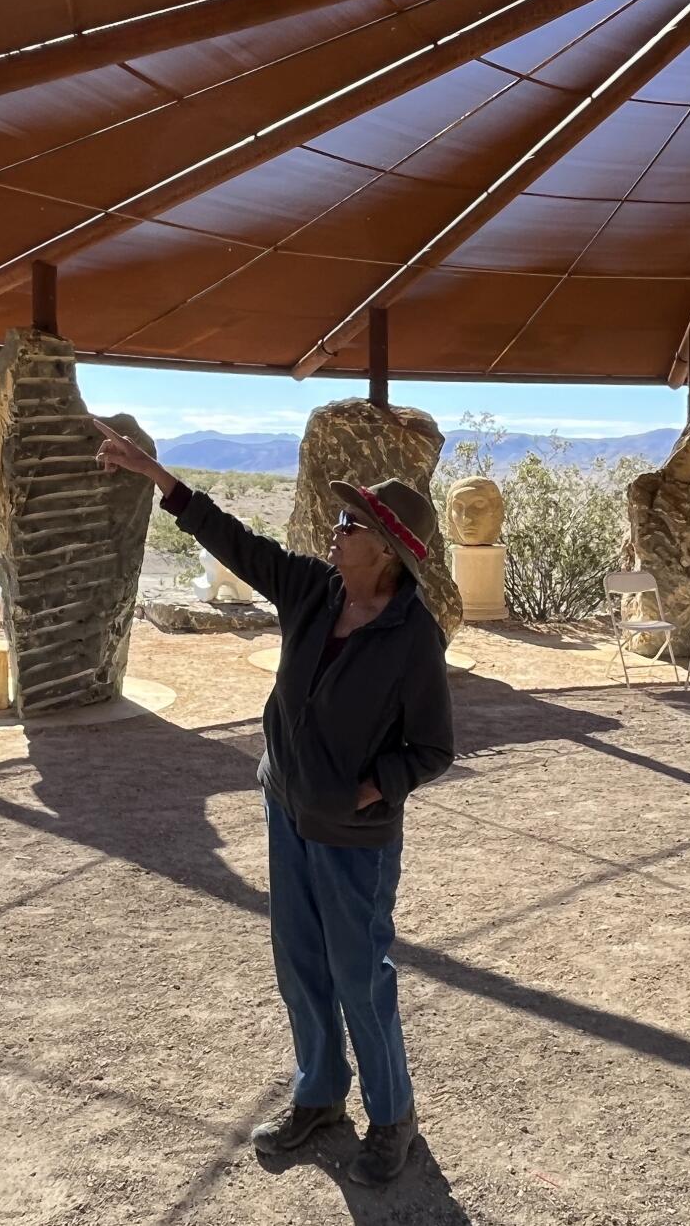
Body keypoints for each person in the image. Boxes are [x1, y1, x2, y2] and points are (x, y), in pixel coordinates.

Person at [93, 423, 454, 1186]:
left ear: (385, 549)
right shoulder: (314, 589)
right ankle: (320, 1096)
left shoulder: (412, 636)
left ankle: (395, 1118)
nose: (337, 528)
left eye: (352, 524)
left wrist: (367, 789)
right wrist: (160, 478)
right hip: (285, 806)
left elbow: (432, 747)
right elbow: (239, 543)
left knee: (361, 976)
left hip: (353, 834)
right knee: (298, 961)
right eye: (341, 519)